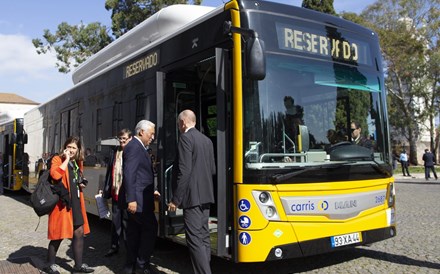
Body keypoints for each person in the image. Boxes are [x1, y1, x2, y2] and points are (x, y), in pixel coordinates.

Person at [168, 110, 216, 274]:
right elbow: (212, 169)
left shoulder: (185, 138)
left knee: (194, 239)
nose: (179, 127)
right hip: (206, 196)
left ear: (183, 122)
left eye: (178, 124)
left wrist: (176, 199)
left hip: (192, 197)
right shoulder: (207, 140)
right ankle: (205, 268)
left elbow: (185, 171)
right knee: (203, 236)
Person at [44, 136, 94, 274]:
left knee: (79, 232)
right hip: (62, 204)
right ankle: (50, 264)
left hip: (76, 201)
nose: (71, 150)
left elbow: (76, 179)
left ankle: (78, 266)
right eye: (69, 147)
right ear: (65, 147)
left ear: (78, 149)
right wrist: (65, 159)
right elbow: (55, 175)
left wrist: (81, 182)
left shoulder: (77, 162)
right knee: (58, 235)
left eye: (74, 148)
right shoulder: (57, 159)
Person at [119, 120, 159, 274]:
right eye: (151, 133)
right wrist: (132, 200)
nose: (153, 137)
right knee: (150, 229)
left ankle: (130, 266)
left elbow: (141, 174)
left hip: (142, 198)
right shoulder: (135, 147)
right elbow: (130, 174)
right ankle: (142, 265)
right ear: (142, 132)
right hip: (138, 201)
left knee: (134, 232)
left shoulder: (138, 147)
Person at [101, 129, 132, 257]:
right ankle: (114, 246)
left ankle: (129, 249)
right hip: (116, 193)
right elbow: (110, 172)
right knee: (115, 222)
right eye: (120, 139)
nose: (122, 141)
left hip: (127, 195)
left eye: (125, 138)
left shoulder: (132, 152)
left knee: (127, 223)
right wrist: (105, 189)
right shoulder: (115, 152)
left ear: (130, 139)